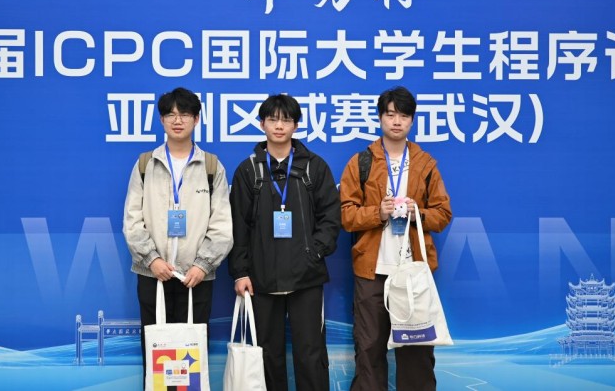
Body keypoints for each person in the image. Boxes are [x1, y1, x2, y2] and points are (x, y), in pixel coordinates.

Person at [340, 86, 452, 391]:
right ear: (380, 118)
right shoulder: (361, 162)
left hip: (413, 272)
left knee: (417, 352)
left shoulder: (425, 164)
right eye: (390, 114)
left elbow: (443, 214)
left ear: (412, 120)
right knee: (369, 349)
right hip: (372, 272)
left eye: (403, 115)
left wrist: (418, 213)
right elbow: (346, 215)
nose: (397, 121)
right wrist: (377, 213)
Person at [228, 94, 341, 391]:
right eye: (273, 119)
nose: (279, 126)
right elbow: (237, 226)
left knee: (310, 353)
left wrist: (314, 253)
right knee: (267, 355)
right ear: (262, 124)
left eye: (286, 120)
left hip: (306, 276)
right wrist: (240, 272)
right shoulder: (248, 170)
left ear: (296, 125)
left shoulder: (314, 167)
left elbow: (331, 217)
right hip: (261, 278)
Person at [123, 87, 233, 385]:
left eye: (184, 114)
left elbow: (222, 224)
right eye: (170, 114)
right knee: (155, 352)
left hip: (195, 277)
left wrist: (203, 264)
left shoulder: (211, 166)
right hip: (153, 275)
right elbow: (132, 220)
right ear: (161, 120)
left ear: (196, 119)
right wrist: (151, 259)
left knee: (190, 356)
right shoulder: (146, 164)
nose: (177, 120)